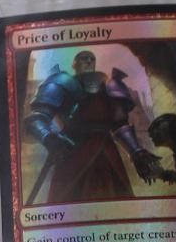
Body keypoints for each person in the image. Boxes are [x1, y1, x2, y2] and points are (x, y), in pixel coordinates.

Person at [25, 49, 161, 204]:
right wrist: (48, 138)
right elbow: (37, 117)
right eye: (84, 58)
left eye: (91, 58)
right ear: (74, 64)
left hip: (107, 153)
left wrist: (136, 151)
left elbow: (120, 124)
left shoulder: (110, 86)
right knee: (67, 202)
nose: (89, 61)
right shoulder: (60, 82)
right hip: (72, 151)